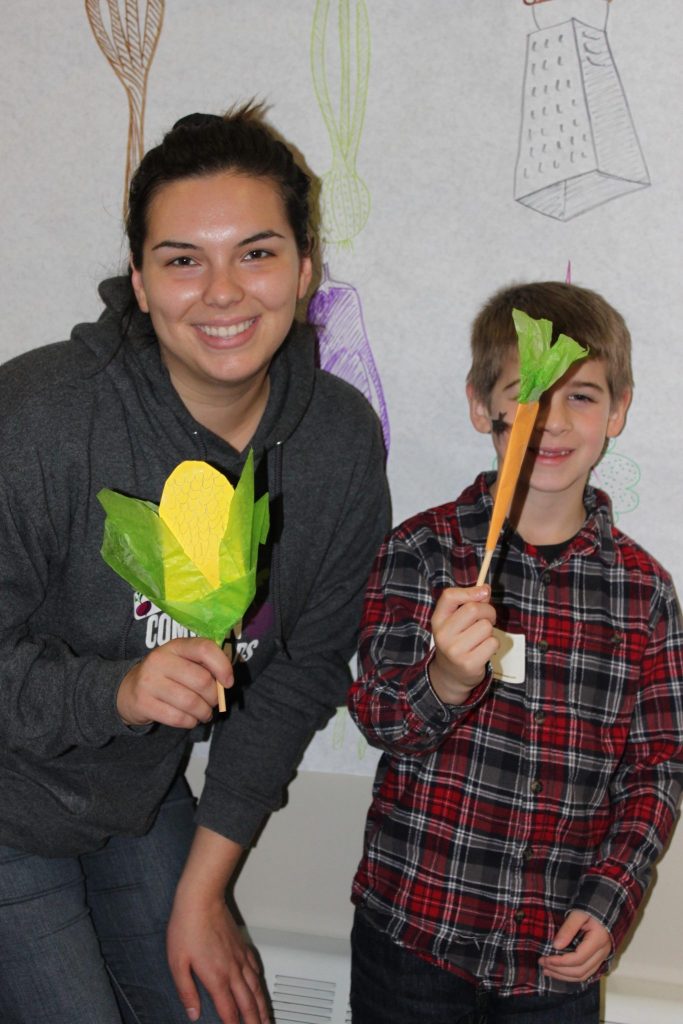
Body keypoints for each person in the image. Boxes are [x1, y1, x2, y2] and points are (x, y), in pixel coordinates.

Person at [0, 104, 390, 1024]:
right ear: (139, 280)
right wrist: (117, 693)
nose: (222, 293)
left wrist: (203, 892)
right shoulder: (39, 420)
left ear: (305, 269)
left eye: (255, 253)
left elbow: (297, 674)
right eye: (183, 260)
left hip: (136, 797)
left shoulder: (335, 441)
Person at [348, 281, 683, 1023]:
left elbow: (655, 768)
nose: (552, 423)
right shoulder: (421, 550)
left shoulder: (643, 593)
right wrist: (442, 677)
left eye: (582, 397)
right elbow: (376, 716)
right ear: (482, 407)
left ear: (618, 411)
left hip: (554, 953)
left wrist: (611, 898)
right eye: (527, 396)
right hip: (414, 936)